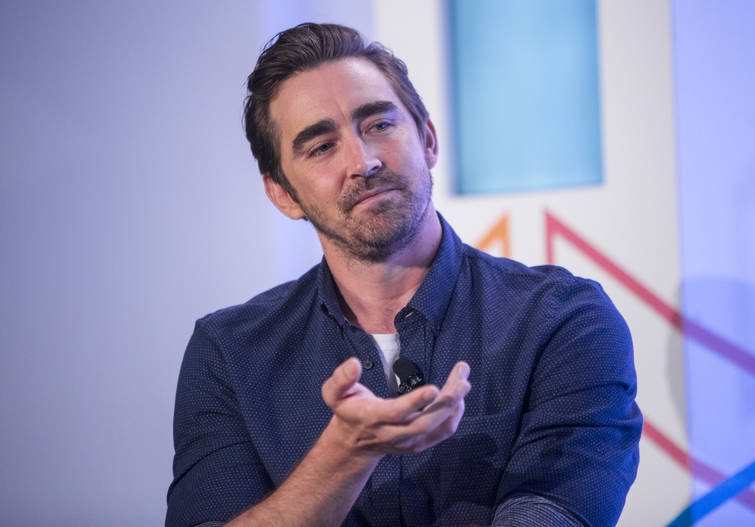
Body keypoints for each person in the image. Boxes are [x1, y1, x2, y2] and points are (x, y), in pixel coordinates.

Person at [166, 22, 641, 527]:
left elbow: (554, 514)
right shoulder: (229, 353)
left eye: (378, 125)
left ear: (428, 139)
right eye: (321, 146)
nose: (363, 161)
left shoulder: (563, 321)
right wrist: (345, 453)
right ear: (283, 194)